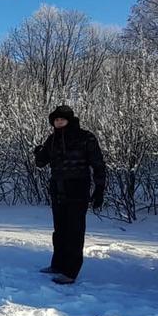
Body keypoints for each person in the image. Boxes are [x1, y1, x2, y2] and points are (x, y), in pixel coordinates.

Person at [33, 105, 106, 284]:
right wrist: (38, 153)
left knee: (75, 231)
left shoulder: (86, 137)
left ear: (69, 120)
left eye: (62, 119)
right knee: (60, 231)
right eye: (56, 120)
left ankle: (70, 272)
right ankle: (58, 264)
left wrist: (99, 189)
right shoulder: (53, 139)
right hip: (58, 189)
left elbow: (98, 164)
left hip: (78, 189)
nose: (58, 122)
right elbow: (41, 163)